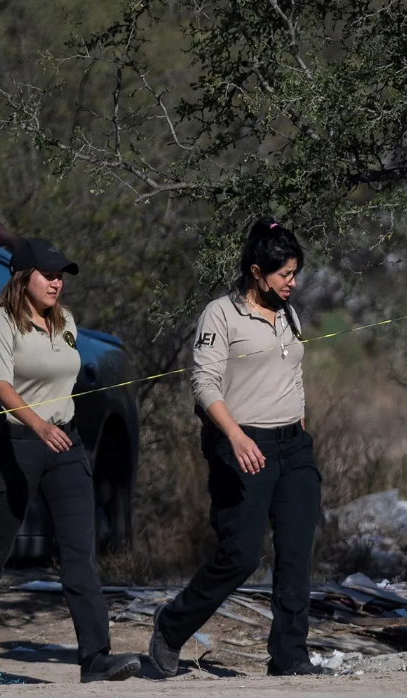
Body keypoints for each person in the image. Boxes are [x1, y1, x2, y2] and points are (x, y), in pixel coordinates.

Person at [0, 237, 141, 684]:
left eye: (60, 276)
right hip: (16, 442)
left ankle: (95, 657)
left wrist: (55, 426)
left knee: (78, 552)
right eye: (47, 275)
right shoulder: (0, 320)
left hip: (64, 442)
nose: (56, 283)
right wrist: (37, 425)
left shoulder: (64, 320)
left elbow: (64, 376)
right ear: (22, 276)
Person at [147, 217, 327, 678]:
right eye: (284, 274)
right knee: (241, 554)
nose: (292, 283)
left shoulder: (289, 312)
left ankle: (289, 655)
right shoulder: (220, 314)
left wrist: (300, 426)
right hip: (242, 443)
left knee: (295, 551)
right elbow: (203, 383)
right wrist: (236, 436)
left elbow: (293, 374)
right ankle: (171, 626)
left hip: (293, 447)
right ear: (255, 271)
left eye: (295, 273)